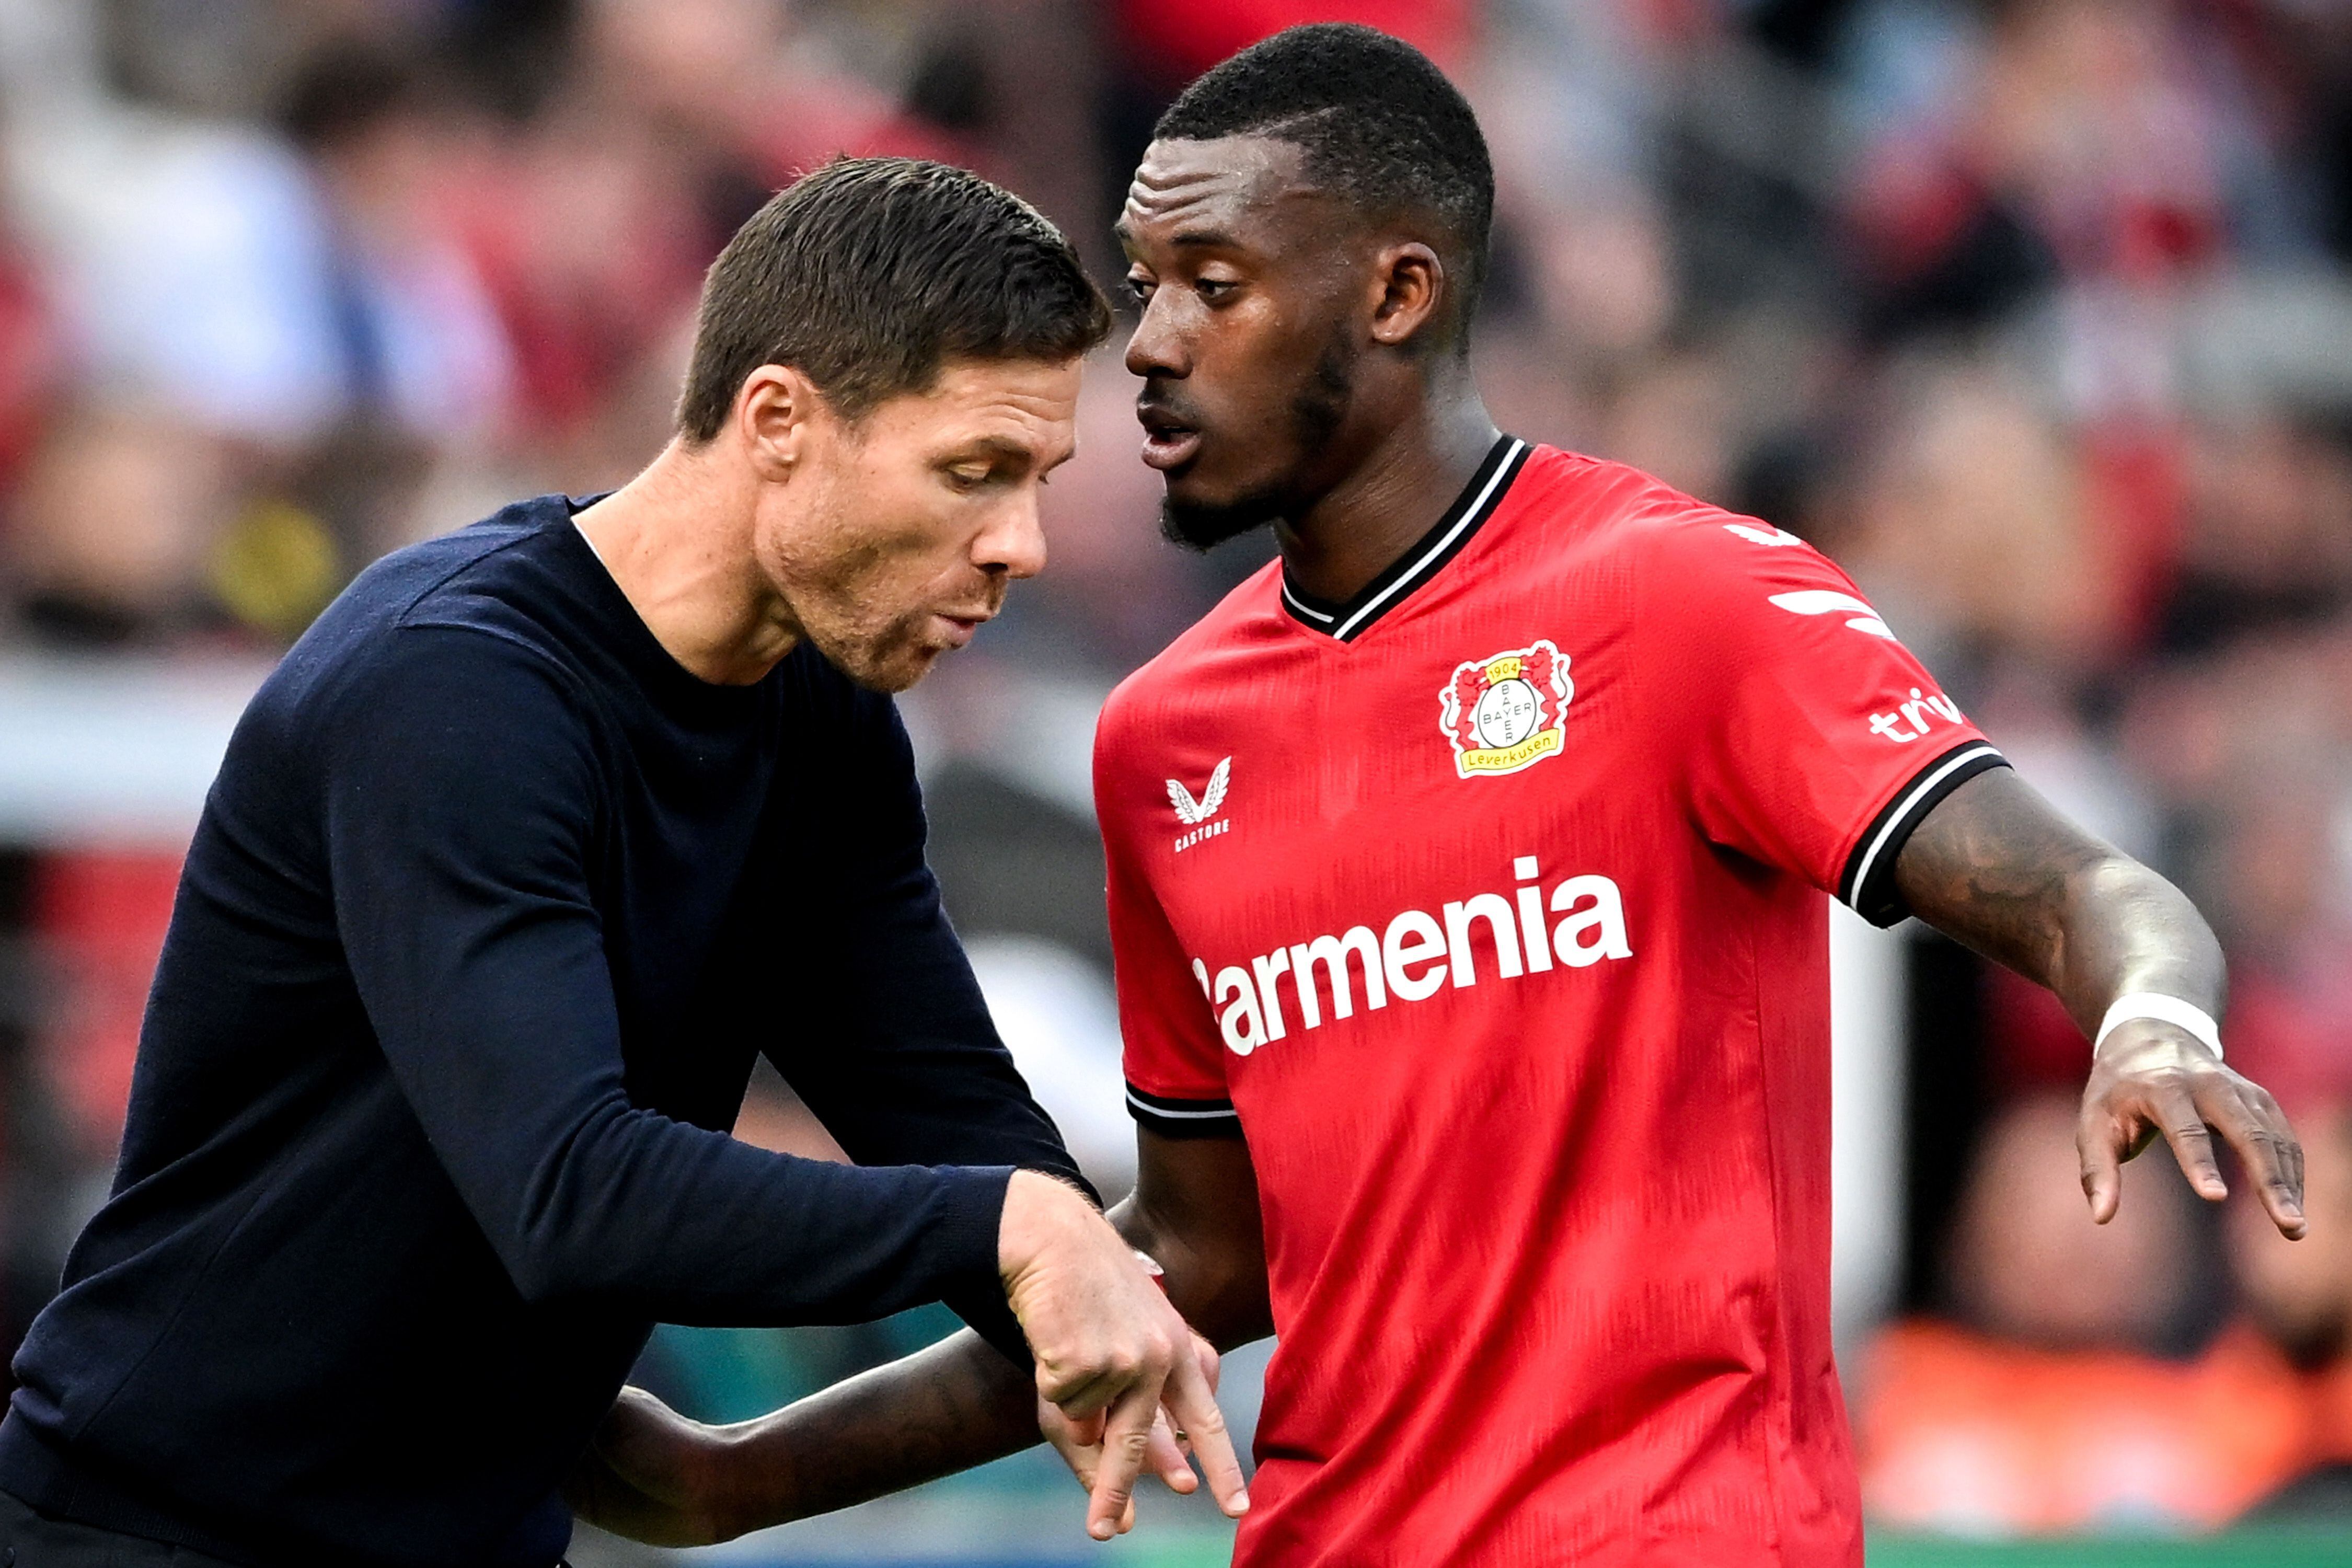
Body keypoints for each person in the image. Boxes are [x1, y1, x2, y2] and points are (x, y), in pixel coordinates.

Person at [567, 27, 2307, 1566]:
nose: (1150, 347)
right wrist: (734, 1480)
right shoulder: (1162, 738)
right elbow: (1193, 1259)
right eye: (1142, 282)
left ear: (1397, 295)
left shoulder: (1680, 602)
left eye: (1213, 283)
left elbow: (2081, 888)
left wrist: (2150, 1017)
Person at [0, 158, 1243, 1568]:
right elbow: (572, 1196)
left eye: (1036, 479)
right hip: (155, 1536)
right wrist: (1017, 1231)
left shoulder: (820, 718)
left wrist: (1109, 1308)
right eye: (972, 472)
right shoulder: (458, 692)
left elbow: (944, 1111)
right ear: (776, 419)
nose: (1017, 544)